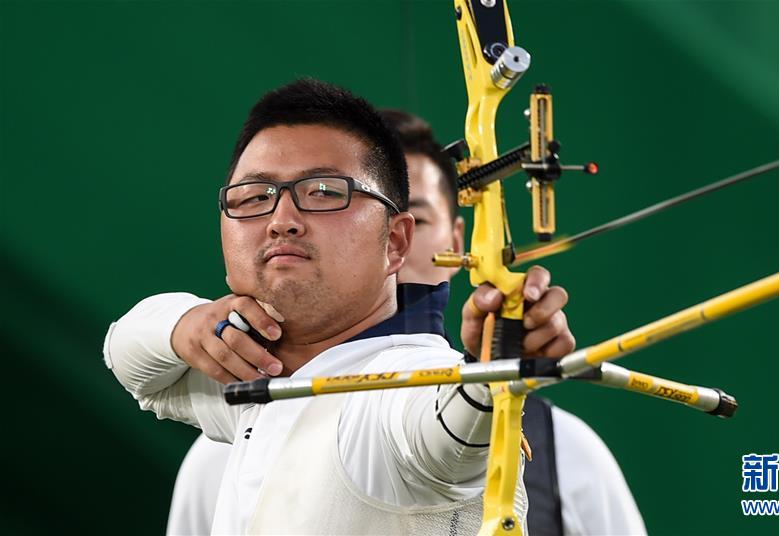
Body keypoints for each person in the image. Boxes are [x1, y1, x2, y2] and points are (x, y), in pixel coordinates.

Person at [162, 108, 645, 535]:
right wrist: (179, 323)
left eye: (416, 219)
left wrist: (485, 377)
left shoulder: (565, 449)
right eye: (329, 199)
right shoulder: (225, 441)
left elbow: (435, 431)